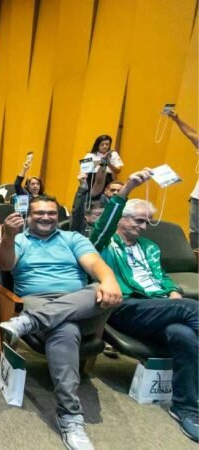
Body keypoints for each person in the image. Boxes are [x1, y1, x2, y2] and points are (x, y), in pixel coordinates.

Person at [0, 195, 122, 450]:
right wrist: (8, 236)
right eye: (39, 213)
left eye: (51, 213)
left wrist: (109, 280)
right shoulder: (19, 240)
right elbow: (4, 263)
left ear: (58, 216)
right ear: (28, 216)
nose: (45, 217)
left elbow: (96, 264)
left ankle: (29, 322)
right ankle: (71, 416)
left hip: (80, 301)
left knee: (101, 287)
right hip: (38, 299)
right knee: (64, 329)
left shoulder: (73, 239)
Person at [89, 171, 198, 442]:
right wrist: (128, 189)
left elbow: (160, 277)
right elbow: (102, 225)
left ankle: (186, 408)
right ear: (121, 220)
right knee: (191, 308)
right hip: (125, 307)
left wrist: (172, 291)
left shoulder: (149, 246)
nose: (144, 227)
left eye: (148, 222)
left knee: (183, 334)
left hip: (159, 308)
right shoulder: (104, 244)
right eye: (139, 220)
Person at [167, 110, 199, 248]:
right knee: (195, 232)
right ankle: (196, 260)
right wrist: (177, 120)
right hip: (197, 197)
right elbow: (192, 134)